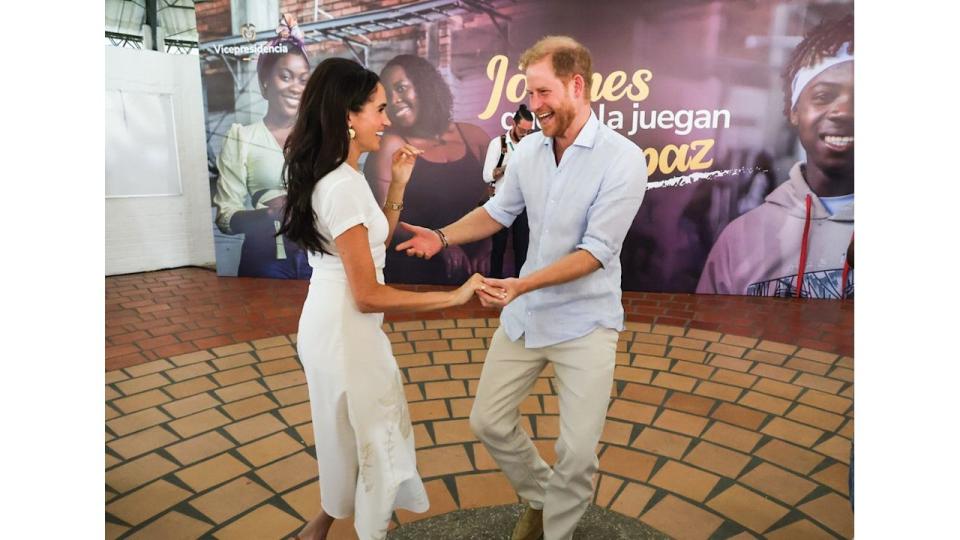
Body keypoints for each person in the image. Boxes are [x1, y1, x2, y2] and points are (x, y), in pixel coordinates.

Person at [396, 36, 648, 540]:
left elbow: (597, 252)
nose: (533, 106)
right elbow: (497, 212)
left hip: (585, 323)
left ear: (577, 85)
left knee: (576, 454)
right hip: (526, 315)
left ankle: (555, 530)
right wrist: (441, 235)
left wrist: (521, 284)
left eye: (542, 93)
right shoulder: (530, 150)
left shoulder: (623, 159)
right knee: (488, 421)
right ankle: (539, 494)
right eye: (529, 94)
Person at [277, 57, 490, 540]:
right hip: (346, 329)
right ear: (348, 116)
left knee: (356, 435)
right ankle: (368, 531)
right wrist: (454, 298)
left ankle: (321, 528)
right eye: (378, 108)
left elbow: (374, 244)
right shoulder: (342, 187)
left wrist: (397, 186)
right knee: (373, 439)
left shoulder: (340, 178)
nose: (388, 119)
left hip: (336, 324)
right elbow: (370, 293)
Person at [697, 15, 854, 299]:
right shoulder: (740, 240)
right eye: (822, 96)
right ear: (794, 110)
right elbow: (705, 339)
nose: (843, 111)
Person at [364, 54, 492, 285]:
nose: (394, 100)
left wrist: (485, 243)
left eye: (401, 88)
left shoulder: (474, 137)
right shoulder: (390, 147)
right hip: (416, 272)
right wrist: (439, 242)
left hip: (476, 270)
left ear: (425, 88)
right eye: (387, 95)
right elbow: (385, 222)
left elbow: (493, 204)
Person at [212, 15, 313, 278]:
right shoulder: (242, 137)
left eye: (303, 79)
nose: (296, 88)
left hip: (319, 261)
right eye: (286, 76)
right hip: (266, 263)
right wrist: (268, 215)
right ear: (265, 81)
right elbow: (225, 218)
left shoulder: (320, 137)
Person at [483, 104, 534, 278]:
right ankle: (493, 285)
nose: (525, 134)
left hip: (523, 204)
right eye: (522, 129)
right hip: (501, 203)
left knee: (523, 249)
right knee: (498, 248)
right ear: (513, 123)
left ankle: (521, 288)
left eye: (528, 131)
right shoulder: (498, 143)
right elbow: (487, 176)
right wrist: (509, 167)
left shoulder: (531, 145)